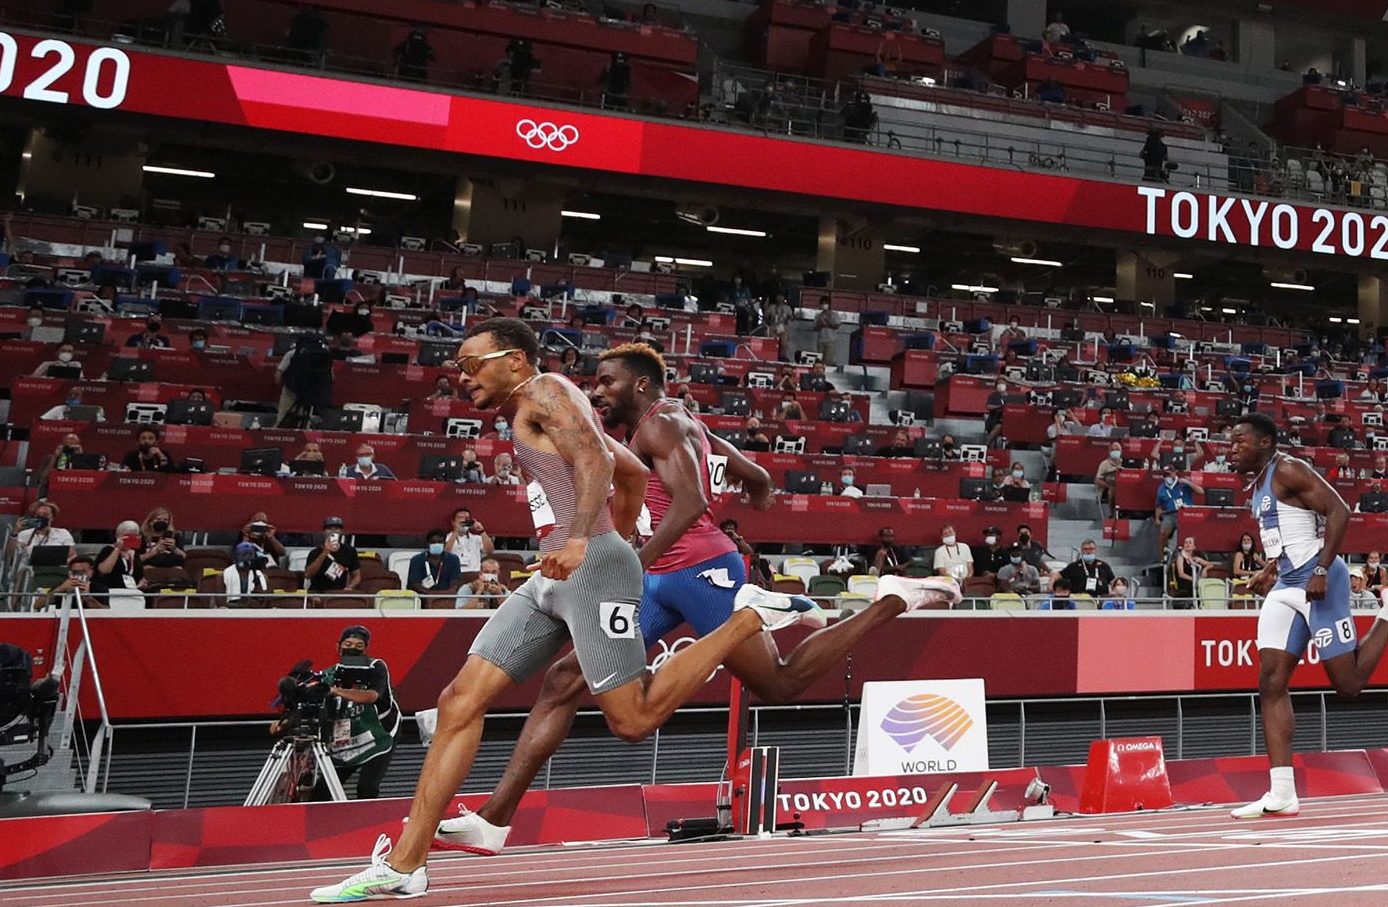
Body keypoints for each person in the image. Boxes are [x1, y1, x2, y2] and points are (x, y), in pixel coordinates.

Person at [434, 339, 954, 856]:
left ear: (641, 383)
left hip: (699, 571)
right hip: (662, 576)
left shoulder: (662, 423)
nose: (598, 392)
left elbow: (692, 502)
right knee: (563, 680)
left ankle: (889, 599)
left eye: (608, 382)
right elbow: (759, 479)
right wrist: (752, 491)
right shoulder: (679, 425)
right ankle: (494, 819)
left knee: (780, 683)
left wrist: (629, 565)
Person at [1225, 414, 1388, 820]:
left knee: (1349, 685)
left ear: (1265, 442)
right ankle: (1281, 791)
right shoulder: (1258, 483)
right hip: (1286, 585)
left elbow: (1339, 511)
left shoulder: (1288, 468)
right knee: (1271, 681)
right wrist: (1269, 570)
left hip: (1320, 581)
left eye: (1238, 442)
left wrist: (1321, 569)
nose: (1231, 449)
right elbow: (1287, 536)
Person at [324, 625, 403, 799]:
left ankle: (368, 824)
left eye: (359, 646)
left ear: (366, 649)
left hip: (380, 735)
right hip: (348, 738)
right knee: (323, 789)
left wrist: (336, 691)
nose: (352, 649)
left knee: (367, 786)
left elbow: (372, 696)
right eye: (348, 643)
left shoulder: (376, 666)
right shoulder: (329, 674)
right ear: (338, 646)